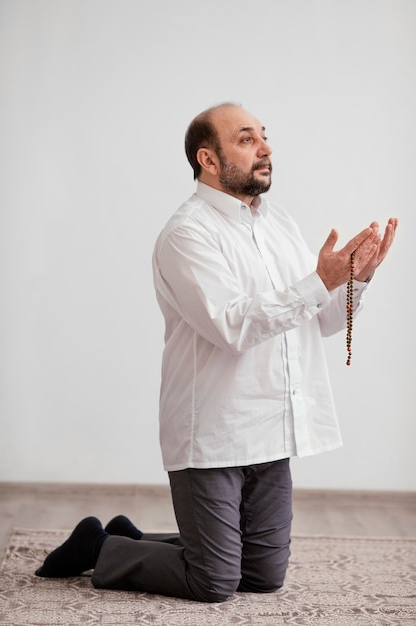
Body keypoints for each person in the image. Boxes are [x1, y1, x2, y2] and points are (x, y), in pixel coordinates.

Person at [35, 103, 398, 602]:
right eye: (247, 139)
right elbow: (234, 325)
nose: (266, 148)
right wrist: (322, 280)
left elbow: (321, 321)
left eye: (264, 137)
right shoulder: (187, 233)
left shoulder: (279, 225)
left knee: (263, 576)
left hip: (272, 430)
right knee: (214, 581)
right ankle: (101, 547)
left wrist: (358, 278)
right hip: (212, 434)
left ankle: (134, 539)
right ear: (208, 159)